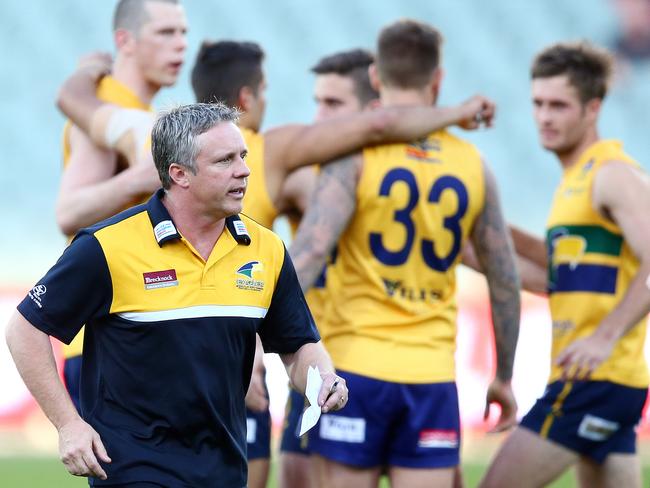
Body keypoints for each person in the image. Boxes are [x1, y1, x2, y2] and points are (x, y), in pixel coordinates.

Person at [57, 39, 496, 488]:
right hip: (176, 355)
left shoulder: (144, 132)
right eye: (227, 160)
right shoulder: (279, 152)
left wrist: (88, 71)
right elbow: (379, 126)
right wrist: (457, 115)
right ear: (247, 99)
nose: (241, 170)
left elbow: (71, 114)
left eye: (332, 103)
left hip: (220, 357)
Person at [5, 102, 349, 488]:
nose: (243, 170)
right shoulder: (106, 246)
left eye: (242, 156)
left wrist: (324, 379)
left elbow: (299, 346)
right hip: (132, 467)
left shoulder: (266, 249)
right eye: (224, 160)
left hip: (223, 468)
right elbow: (24, 328)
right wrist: (69, 424)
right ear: (179, 174)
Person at [290, 19, 521, 488]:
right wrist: (504, 375)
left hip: (354, 372)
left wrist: (255, 339)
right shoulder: (474, 166)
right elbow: (504, 279)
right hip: (432, 376)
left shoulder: (353, 156)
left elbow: (308, 255)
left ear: (375, 78)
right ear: (438, 81)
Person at [480, 41, 650, 488]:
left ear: (592, 109)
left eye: (559, 105)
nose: (544, 116)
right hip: (609, 383)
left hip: (593, 379)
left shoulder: (611, 174)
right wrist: (478, 234)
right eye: (538, 103)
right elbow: (558, 276)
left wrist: (606, 336)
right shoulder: (574, 182)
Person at [55, 0, 188, 415]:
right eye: (166, 33)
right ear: (124, 41)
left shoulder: (136, 112)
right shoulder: (108, 107)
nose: (181, 46)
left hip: (137, 326)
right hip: (109, 336)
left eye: (183, 33)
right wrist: (143, 177)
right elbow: (69, 212)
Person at [278, 48, 379, 488]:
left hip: (374, 363)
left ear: (373, 112)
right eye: (318, 101)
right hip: (316, 359)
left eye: (334, 104)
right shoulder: (304, 175)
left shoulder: (386, 177)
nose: (319, 115)